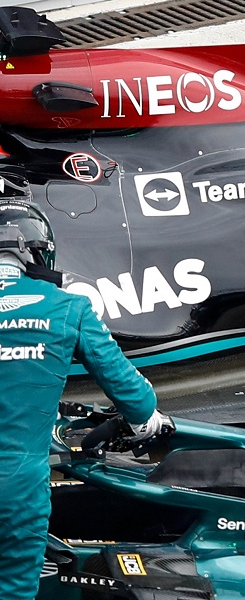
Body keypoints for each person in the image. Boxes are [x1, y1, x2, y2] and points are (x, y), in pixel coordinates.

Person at [0, 198, 167, 600]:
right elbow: (134, 397)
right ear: (38, 250)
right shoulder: (67, 307)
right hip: (15, 489)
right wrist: (148, 421)